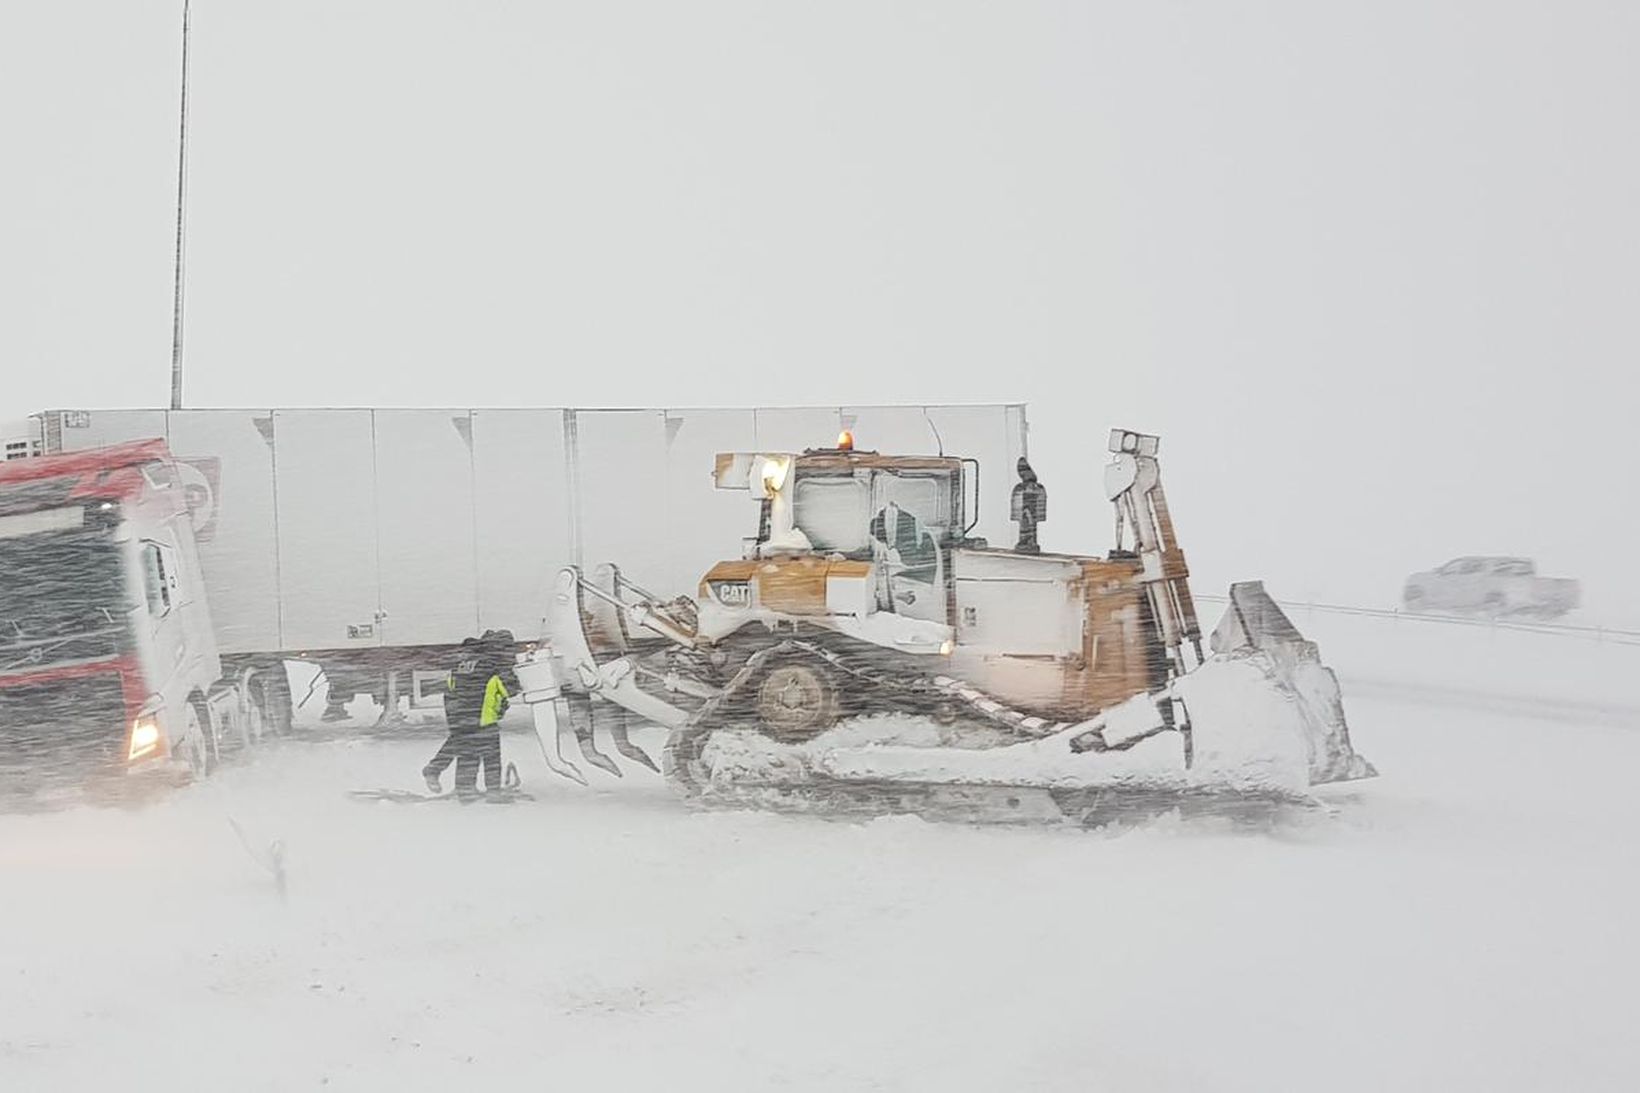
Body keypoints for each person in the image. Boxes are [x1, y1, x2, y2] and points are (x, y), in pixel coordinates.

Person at [1010, 457, 1047, 553]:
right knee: (1026, 524)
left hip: (1028, 513)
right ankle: (1027, 541)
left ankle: (1028, 542)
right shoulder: (1025, 488)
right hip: (1026, 513)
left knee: (1028, 525)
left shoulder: (1030, 488)